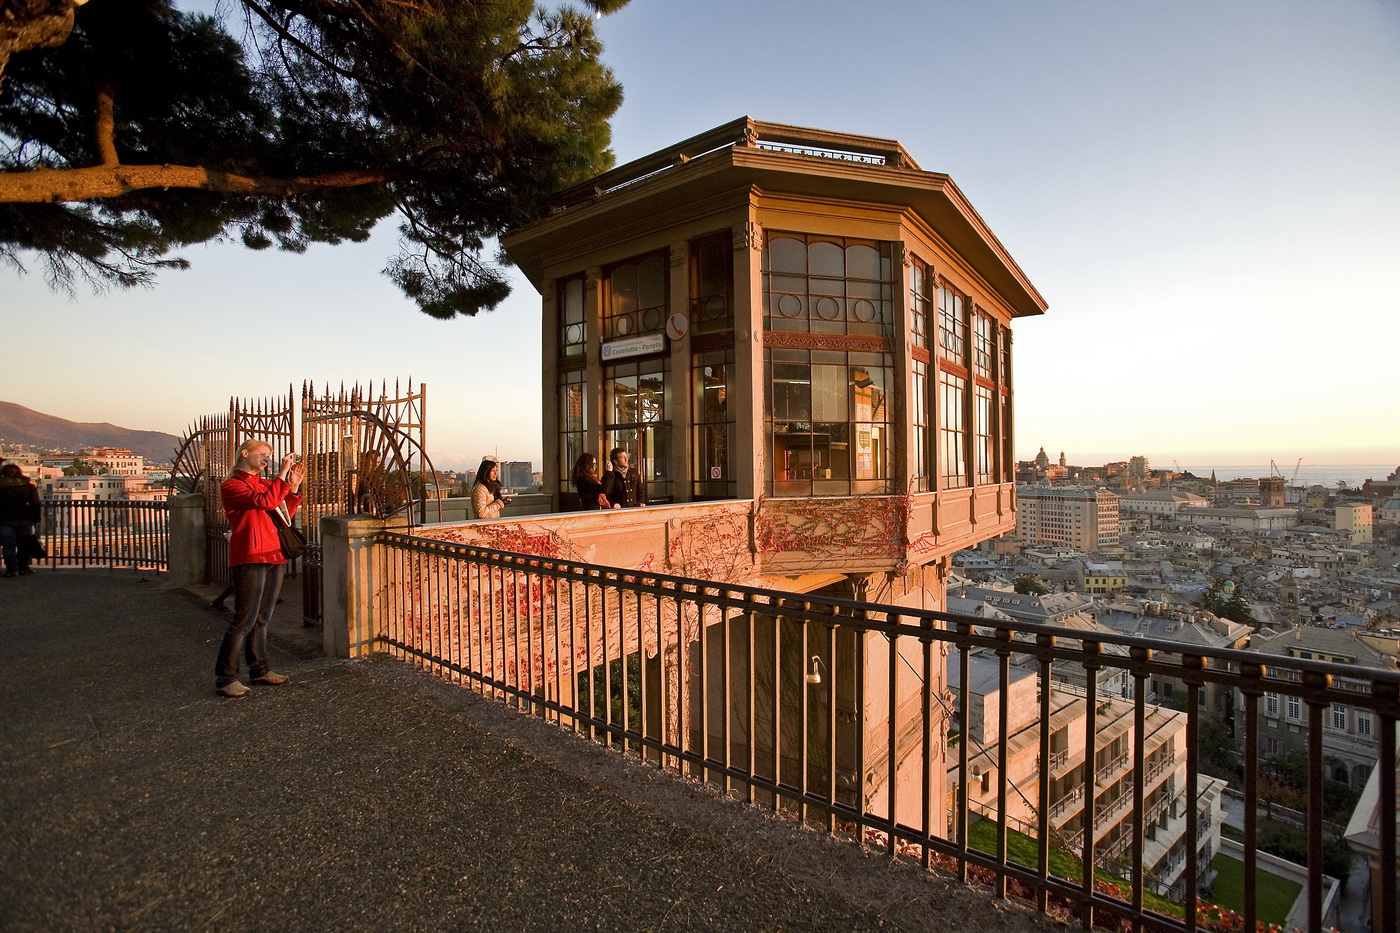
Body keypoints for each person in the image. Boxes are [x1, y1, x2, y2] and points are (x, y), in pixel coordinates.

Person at [215, 439, 304, 699]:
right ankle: (226, 678)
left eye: (269, 455)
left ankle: (260, 670)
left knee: (262, 618)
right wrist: (282, 474)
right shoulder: (232, 485)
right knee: (244, 619)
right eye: (262, 454)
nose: (266, 459)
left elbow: (284, 514)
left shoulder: (264, 484)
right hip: (250, 555)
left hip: (273, 553)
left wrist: (293, 487)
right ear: (245, 454)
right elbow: (264, 502)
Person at [0, 463, 42, 577]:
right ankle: (23, 567)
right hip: (24, 518)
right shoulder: (27, 486)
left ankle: (11, 570)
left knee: (8, 546)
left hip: (5, 519)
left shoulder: (2, 486)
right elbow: (35, 503)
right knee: (24, 545)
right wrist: (36, 518)